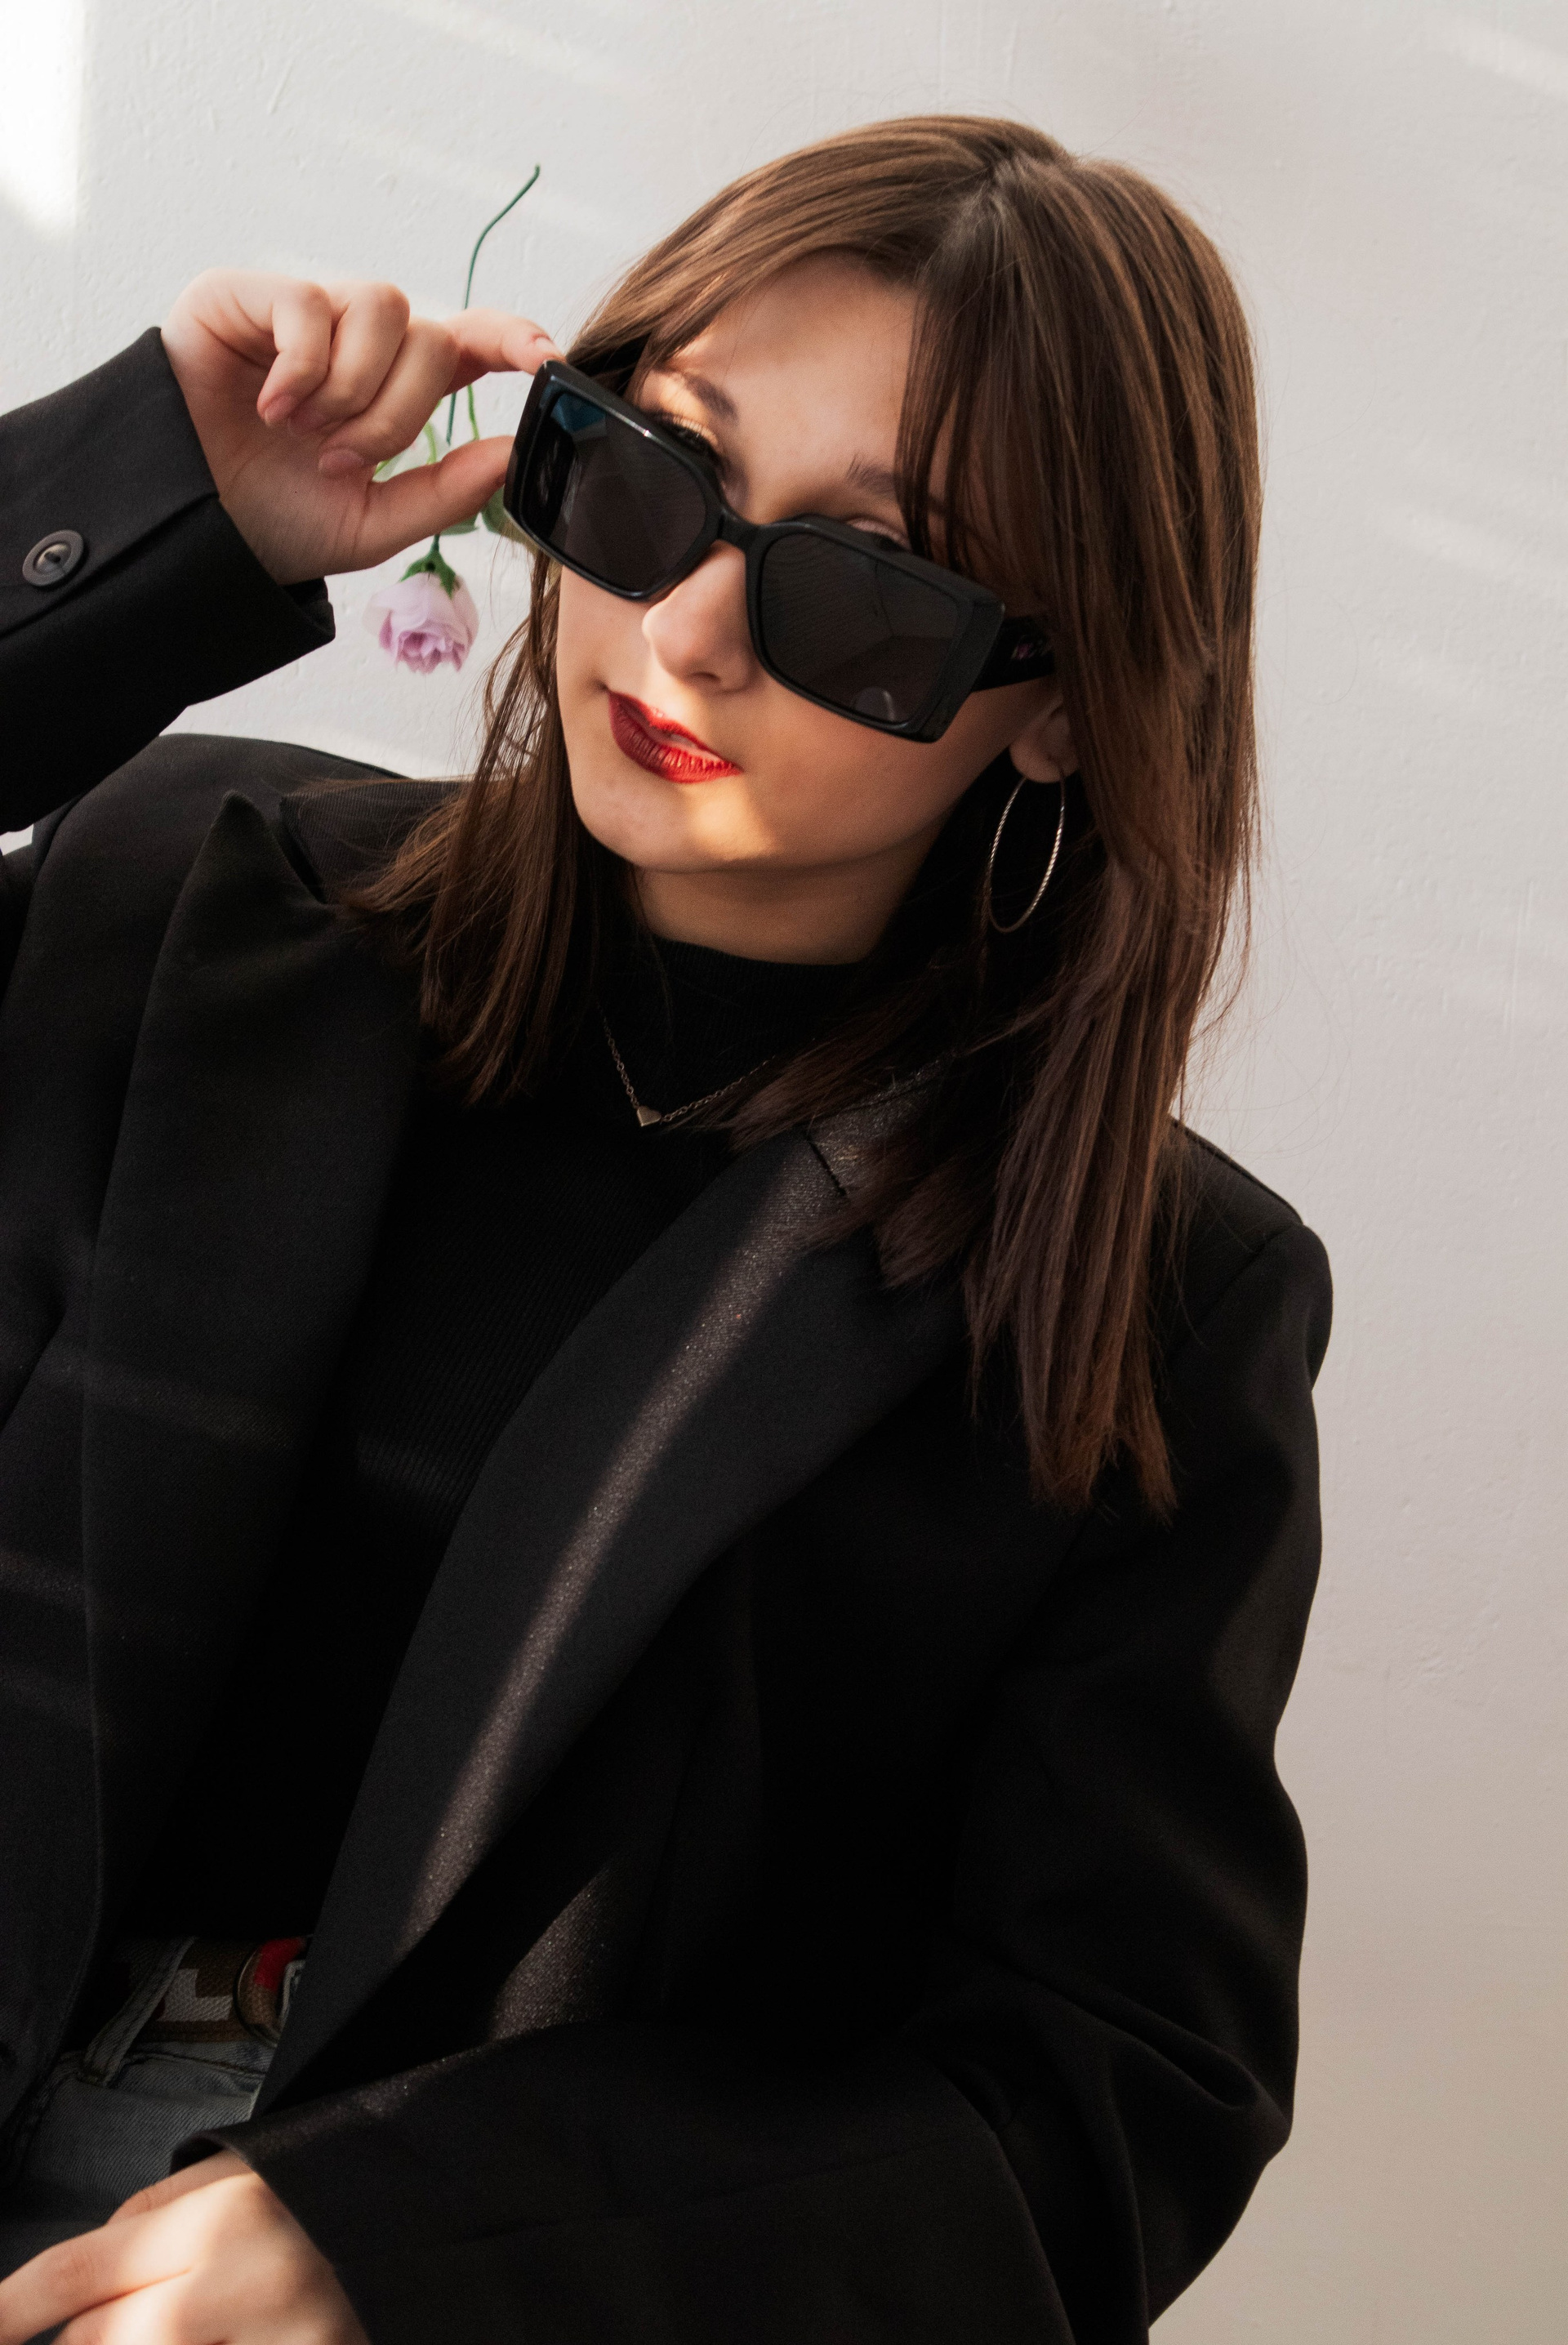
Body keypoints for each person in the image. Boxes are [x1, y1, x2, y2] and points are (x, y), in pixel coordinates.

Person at [0, 115, 1330, 2345]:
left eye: (868, 592)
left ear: (1065, 703)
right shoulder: (180, 892)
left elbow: (1104, 2103)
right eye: (644, 479)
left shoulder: (1144, 1302)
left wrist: (428, 2250)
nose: (687, 630)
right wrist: (143, 498)